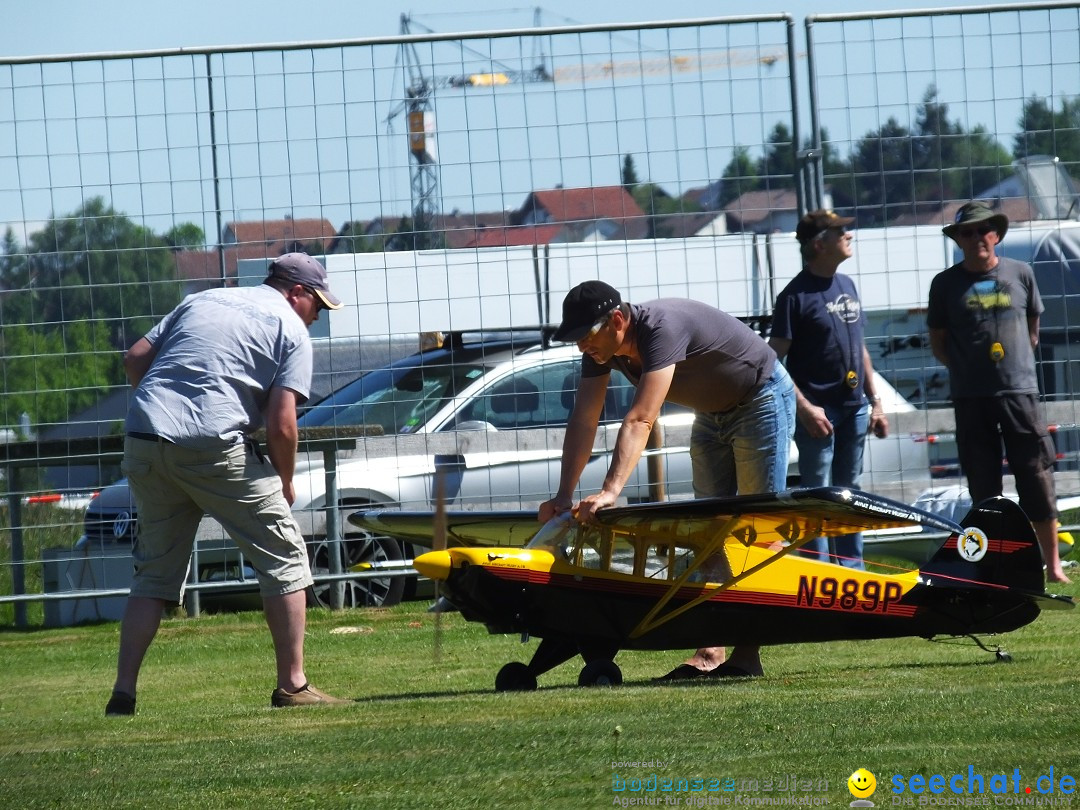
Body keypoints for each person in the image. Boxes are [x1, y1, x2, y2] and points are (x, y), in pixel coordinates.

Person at [105, 253, 351, 716]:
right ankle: (293, 685)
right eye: (317, 303)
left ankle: (123, 692)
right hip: (212, 445)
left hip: (144, 437)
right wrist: (285, 480)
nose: (317, 315)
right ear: (296, 292)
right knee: (285, 556)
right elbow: (282, 425)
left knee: (154, 574)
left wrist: (165, 409)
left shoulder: (205, 299)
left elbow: (135, 359)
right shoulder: (291, 330)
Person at [538, 280, 796, 680]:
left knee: (755, 528)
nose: (580, 347)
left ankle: (747, 656)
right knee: (705, 533)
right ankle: (711, 650)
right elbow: (584, 419)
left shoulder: (662, 329)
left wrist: (610, 492)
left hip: (759, 397)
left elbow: (641, 417)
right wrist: (563, 495)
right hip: (711, 413)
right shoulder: (600, 349)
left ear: (618, 321)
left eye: (585, 336)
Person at [927, 200, 1071, 584]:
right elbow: (938, 341)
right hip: (971, 397)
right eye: (967, 232)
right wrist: (965, 369)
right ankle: (991, 566)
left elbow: (1033, 329)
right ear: (958, 239)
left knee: (1036, 475)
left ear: (997, 234)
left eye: (983, 230)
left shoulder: (1021, 274)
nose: (976, 237)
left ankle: (1052, 565)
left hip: (1019, 393)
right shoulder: (945, 284)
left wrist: (1014, 367)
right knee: (983, 483)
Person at [768, 210, 888, 569]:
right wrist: (804, 408)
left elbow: (860, 347)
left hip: (855, 408)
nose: (848, 235)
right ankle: (816, 570)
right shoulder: (793, 297)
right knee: (817, 493)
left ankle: (852, 570)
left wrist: (875, 402)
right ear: (819, 244)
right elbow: (773, 360)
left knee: (850, 492)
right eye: (840, 231)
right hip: (818, 414)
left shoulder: (847, 285)